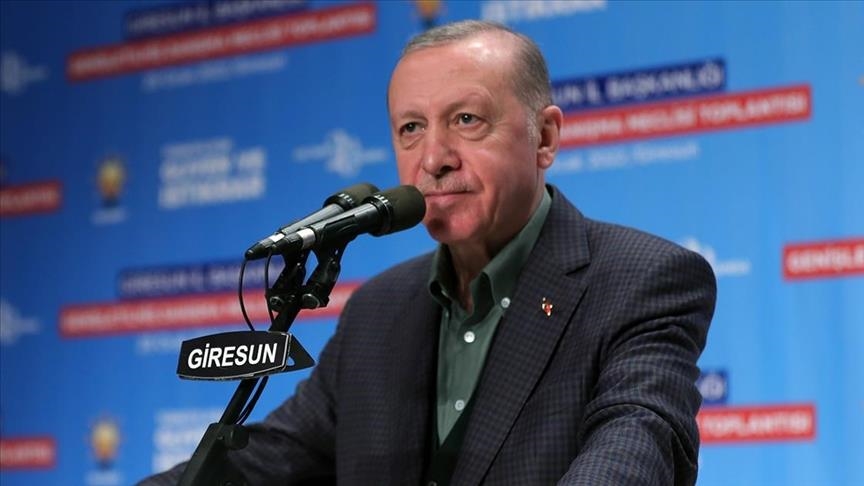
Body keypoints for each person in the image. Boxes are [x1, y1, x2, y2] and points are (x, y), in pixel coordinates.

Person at [140, 20, 715, 486]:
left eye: (466, 120)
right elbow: (271, 457)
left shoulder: (642, 279)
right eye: (411, 128)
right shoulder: (378, 309)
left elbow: (634, 447)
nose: (433, 158)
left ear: (544, 138)